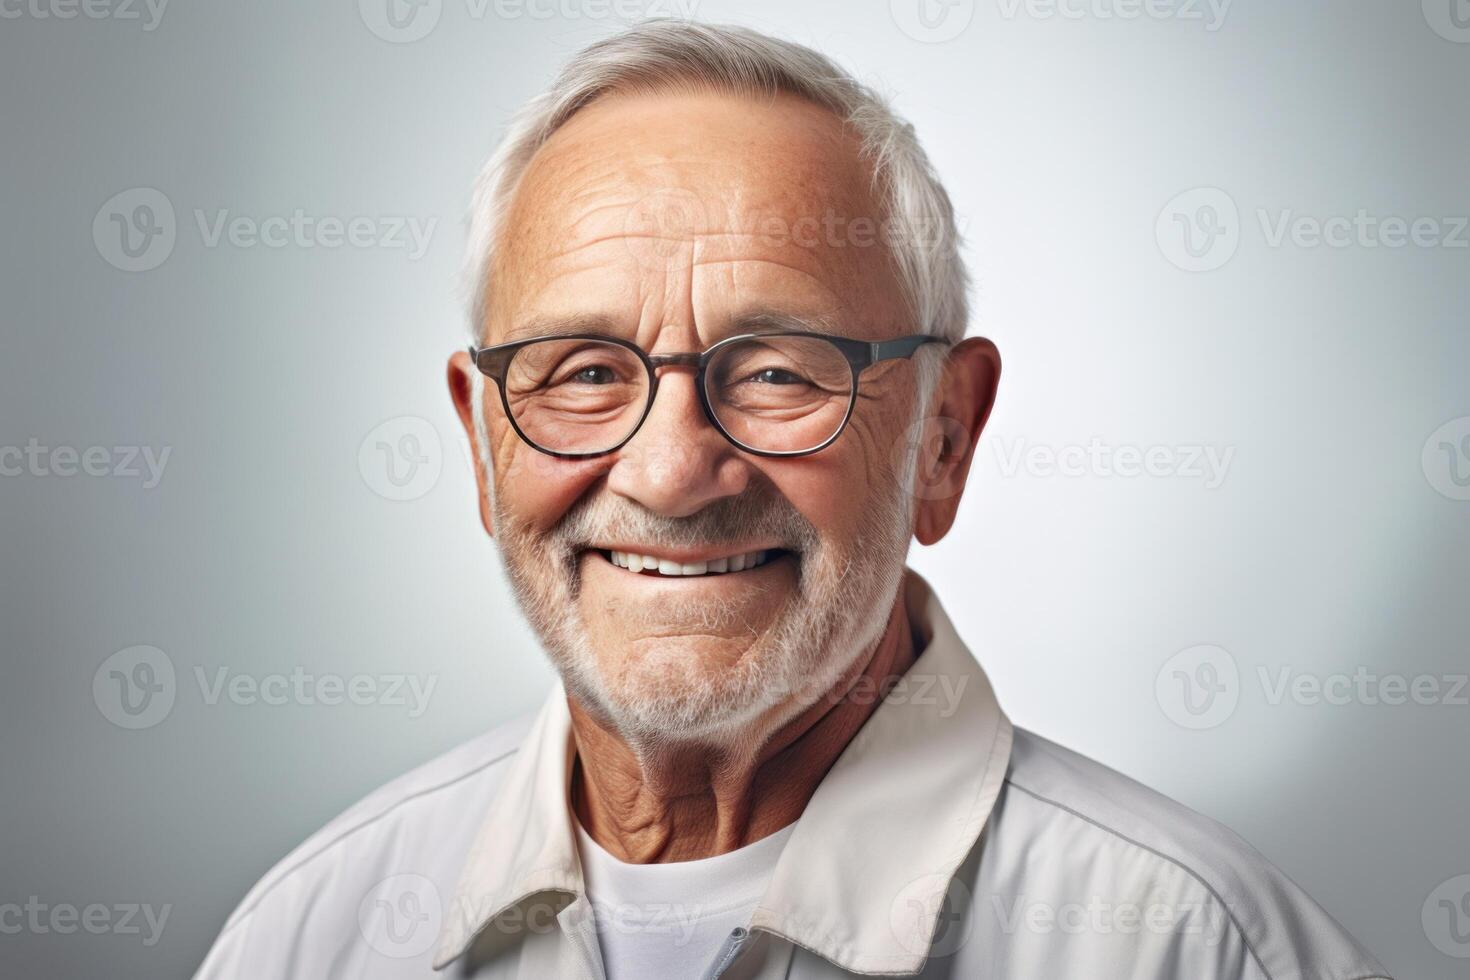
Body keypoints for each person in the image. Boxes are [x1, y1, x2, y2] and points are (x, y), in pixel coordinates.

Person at [195, 21, 1391, 980]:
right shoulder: (308, 936)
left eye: (775, 370)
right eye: (587, 372)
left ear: (944, 438)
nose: (669, 470)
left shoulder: (1197, 949)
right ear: (479, 440)